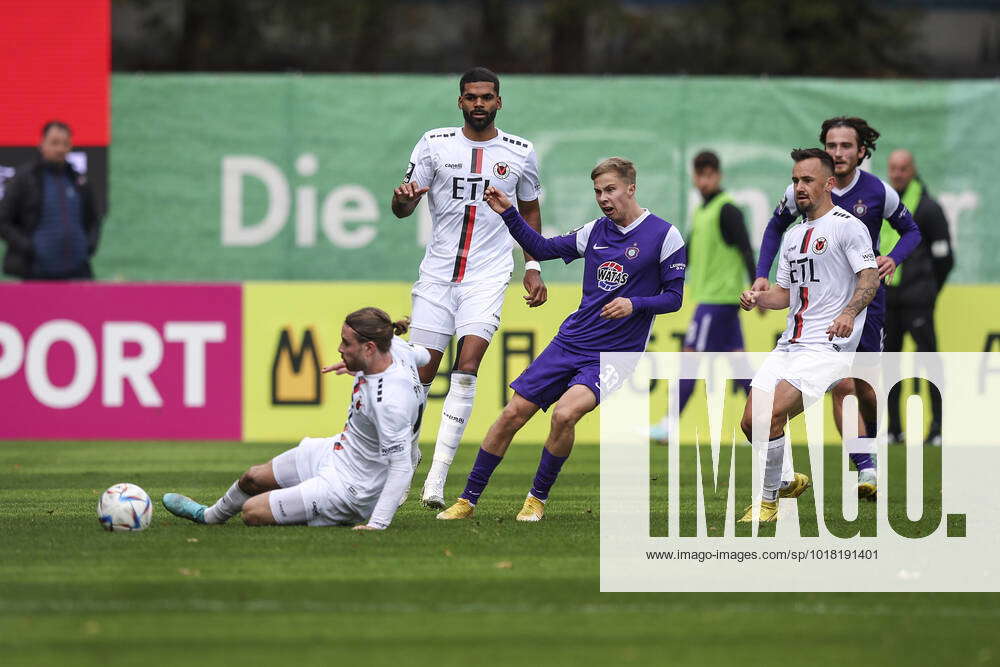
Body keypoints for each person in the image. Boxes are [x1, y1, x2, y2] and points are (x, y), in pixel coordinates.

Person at [436, 157, 686, 522]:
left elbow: (674, 298)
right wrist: (509, 213)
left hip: (614, 355)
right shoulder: (595, 231)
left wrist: (635, 304)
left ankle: (536, 499)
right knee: (512, 414)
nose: (604, 198)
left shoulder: (665, 235)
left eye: (611, 190)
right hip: (571, 341)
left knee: (564, 414)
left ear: (631, 188)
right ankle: (467, 500)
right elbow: (543, 246)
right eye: (598, 191)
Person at [390, 66, 548, 509]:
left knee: (468, 364)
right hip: (438, 275)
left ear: (499, 102)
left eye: (487, 97)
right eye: (471, 97)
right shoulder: (433, 143)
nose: (479, 103)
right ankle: (408, 462)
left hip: (487, 274)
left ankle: (437, 480)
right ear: (459, 102)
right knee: (421, 372)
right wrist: (405, 199)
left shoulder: (519, 151)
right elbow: (401, 206)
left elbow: (531, 209)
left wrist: (533, 264)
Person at [752, 117, 921, 499]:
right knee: (841, 385)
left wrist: (893, 257)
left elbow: (912, 230)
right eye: (831, 145)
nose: (838, 152)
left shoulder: (878, 192)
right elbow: (774, 228)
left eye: (846, 146)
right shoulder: (803, 187)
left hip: (866, 301)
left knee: (866, 389)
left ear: (862, 151)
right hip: (822, 315)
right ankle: (866, 467)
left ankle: (868, 443)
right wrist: (763, 275)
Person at [162, 308, 428, 530]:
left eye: (347, 344)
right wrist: (358, 365)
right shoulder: (395, 348)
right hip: (338, 451)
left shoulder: (389, 401)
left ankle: (334, 515)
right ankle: (208, 517)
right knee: (253, 478)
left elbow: (403, 466)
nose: (339, 348)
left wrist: (377, 524)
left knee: (252, 513)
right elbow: (424, 356)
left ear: (369, 348)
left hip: (350, 488)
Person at [738, 148, 879, 522]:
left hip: (826, 347)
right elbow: (785, 295)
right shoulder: (794, 235)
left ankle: (768, 503)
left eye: (807, 180)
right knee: (751, 422)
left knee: (770, 414)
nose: (799, 187)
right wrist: (757, 297)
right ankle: (786, 480)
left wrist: (849, 313)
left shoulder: (848, 226)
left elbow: (869, 277)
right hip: (789, 344)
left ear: (829, 183)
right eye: (795, 180)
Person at [650, 150, 754, 442]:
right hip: (712, 299)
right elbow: (691, 252)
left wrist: (757, 286)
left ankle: (669, 424)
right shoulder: (702, 210)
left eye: (708, 175)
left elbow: (747, 248)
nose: (703, 180)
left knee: (689, 360)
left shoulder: (727, 209)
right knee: (739, 364)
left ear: (718, 175)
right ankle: (766, 417)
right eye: (699, 175)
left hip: (717, 300)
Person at [882, 149, 954, 446]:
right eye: (893, 169)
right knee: (889, 366)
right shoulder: (884, 207)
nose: (898, 174)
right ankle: (893, 429)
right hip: (888, 299)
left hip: (918, 300)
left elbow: (945, 258)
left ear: (913, 170)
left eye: (903, 168)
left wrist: (929, 290)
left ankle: (936, 429)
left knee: (928, 362)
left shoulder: (928, 208)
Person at [0, 121, 102, 279]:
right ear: (42, 144)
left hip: (77, 271)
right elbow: (3, 220)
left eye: (65, 144)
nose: (60, 149)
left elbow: (94, 220)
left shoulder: (79, 180)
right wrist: (30, 247)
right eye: (54, 143)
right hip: (37, 271)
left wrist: (87, 246)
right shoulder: (25, 178)